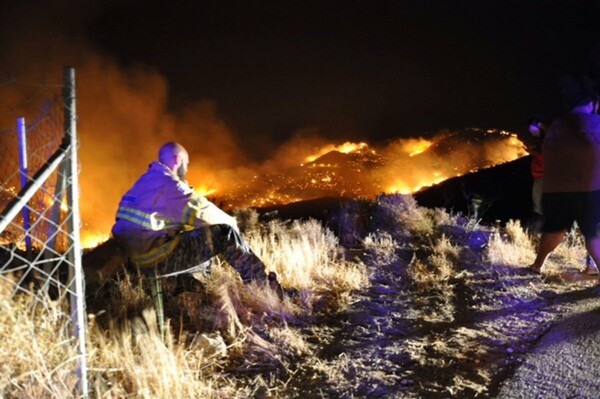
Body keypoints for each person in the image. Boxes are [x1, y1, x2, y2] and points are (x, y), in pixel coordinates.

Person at [108, 142, 287, 296]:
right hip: (155, 262)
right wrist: (234, 227)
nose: (187, 169)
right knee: (223, 234)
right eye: (187, 164)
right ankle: (264, 289)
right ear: (178, 160)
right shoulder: (170, 185)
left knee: (195, 239)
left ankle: (194, 290)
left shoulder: (143, 183)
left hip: (136, 262)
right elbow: (209, 215)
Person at [530, 76, 600, 275]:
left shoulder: (556, 126)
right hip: (589, 190)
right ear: (591, 104)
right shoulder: (596, 123)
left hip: (554, 191)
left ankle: (537, 266)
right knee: (593, 234)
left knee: (554, 230)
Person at [527, 116, 545, 232]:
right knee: (538, 204)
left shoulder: (549, 140)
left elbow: (548, 158)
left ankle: (538, 231)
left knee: (540, 207)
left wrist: (534, 153)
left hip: (544, 176)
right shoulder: (544, 140)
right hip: (540, 175)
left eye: (533, 131)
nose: (533, 134)